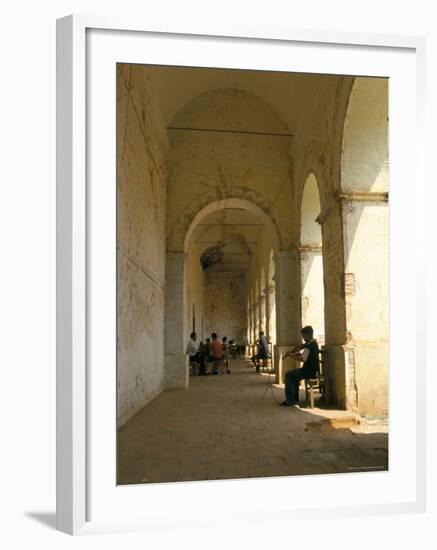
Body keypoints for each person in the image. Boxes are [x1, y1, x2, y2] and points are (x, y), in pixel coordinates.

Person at [280, 325, 320, 407]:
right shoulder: (312, 343)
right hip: (311, 370)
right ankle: (294, 398)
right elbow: (300, 347)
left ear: (308, 335)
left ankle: (290, 401)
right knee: (293, 376)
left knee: (288, 375)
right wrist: (292, 352)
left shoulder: (310, 346)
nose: (303, 338)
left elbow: (302, 359)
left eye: (304, 336)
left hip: (308, 371)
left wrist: (291, 355)